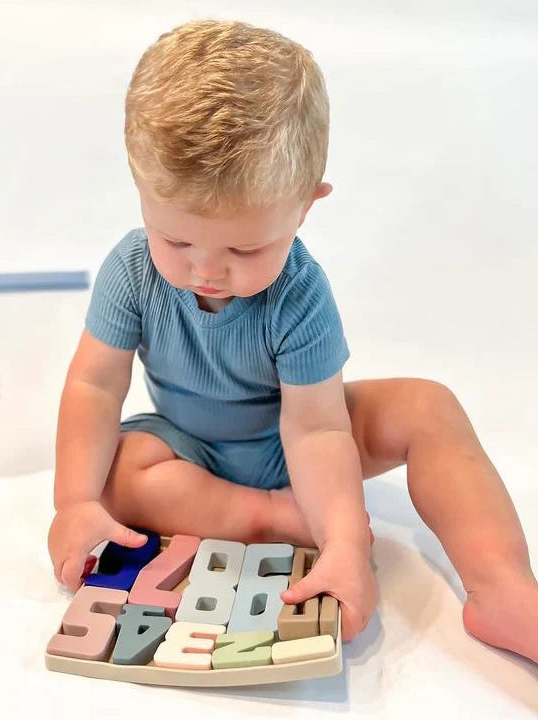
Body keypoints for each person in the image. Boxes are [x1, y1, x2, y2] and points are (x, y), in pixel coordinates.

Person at [48, 19, 537, 661]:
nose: (206, 270)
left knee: (428, 407)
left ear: (306, 205)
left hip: (299, 434)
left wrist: (343, 541)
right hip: (189, 446)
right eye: (177, 240)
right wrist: (74, 501)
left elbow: (318, 429)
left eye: (245, 249)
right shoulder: (131, 270)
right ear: (141, 193)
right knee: (116, 473)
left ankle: (503, 588)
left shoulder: (299, 294)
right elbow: (94, 384)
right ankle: (274, 516)